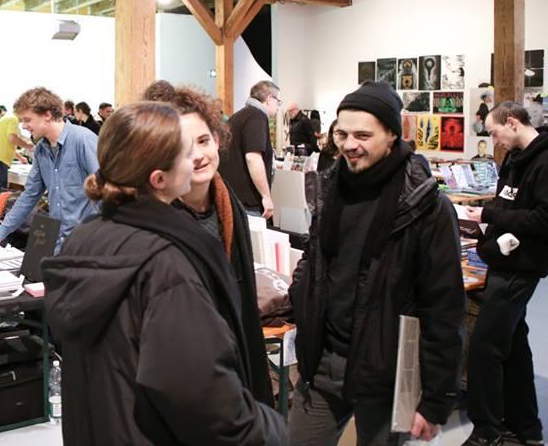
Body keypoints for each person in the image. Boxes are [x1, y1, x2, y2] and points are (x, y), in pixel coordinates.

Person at [42, 101, 286, 445]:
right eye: (185, 153)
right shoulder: (167, 263)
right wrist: (271, 430)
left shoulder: (85, 236)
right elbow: (203, 396)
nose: (196, 161)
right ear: (160, 178)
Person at [288, 81, 465, 445]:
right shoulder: (330, 186)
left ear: (391, 135)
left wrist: (435, 400)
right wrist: (300, 297)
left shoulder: (426, 207)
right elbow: (315, 255)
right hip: (321, 361)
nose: (350, 145)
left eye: (363, 135)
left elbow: (444, 306)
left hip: (385, 370)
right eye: (342, 133)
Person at [142, 80, 274, 407]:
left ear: (217, 140)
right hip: (180, 375)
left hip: (231, 359)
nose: (198, 156)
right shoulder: (152, 220)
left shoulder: (230, 206)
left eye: (204, 140)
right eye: (184, 147)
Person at [463, 102, 548, 446]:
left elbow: (543, 219)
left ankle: (486, 431)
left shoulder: (544, 161)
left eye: (495, 132)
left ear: (512, 123)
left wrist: (490, 218)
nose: (493, 140)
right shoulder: (514, 158)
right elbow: (506, 202)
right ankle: (526, 427)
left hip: (521, 267)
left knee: (484, 348)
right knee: (513, 346)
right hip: (502, 261)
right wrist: (479, 214)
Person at [0, 87, 99, 255]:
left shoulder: (84, 140)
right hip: (58, 243)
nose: (24, 126)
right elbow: (29, 196)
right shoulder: (41, 150)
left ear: (47, 115)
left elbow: (106, 194)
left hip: (88, 245)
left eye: (27, 120)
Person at [221, 80, 281, 218]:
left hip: (233, 197)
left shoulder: (240, 115)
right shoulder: (257, 117)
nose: (278, 106)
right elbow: (253, 157)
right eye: (278, 101)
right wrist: (266, 196)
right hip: (246, 203)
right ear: (270, 99)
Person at [0, 108, 34, 194]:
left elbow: (7, 144)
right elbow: (12, 138)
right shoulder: (13, 119)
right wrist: (27, 146)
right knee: (0, 191)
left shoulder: (7, 119)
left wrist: (21, 158)